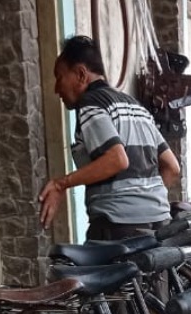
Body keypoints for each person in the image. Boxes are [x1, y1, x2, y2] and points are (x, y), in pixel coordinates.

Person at [39, 35, 181, 241]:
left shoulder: (90, 104)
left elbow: (116, 159)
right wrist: (146, 204)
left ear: (80, 74)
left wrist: (61, 184)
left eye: (59, 77)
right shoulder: (134, 106)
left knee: (72, 270)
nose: (56, 88)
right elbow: (172, 167)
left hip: (117, 228)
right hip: (159, 225)